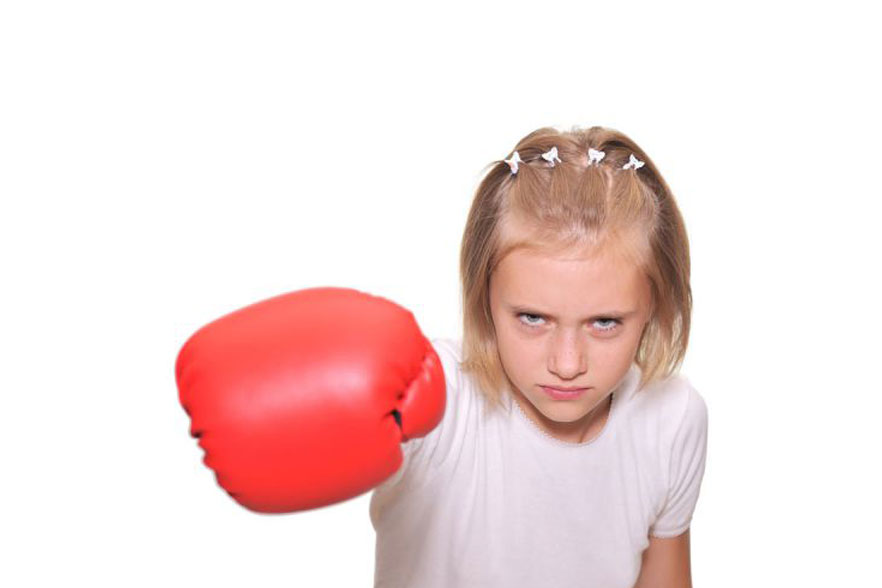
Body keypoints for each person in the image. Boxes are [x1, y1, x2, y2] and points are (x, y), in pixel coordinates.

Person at [369, 125, 709, 587]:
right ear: (484, 296)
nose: (567, 365)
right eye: (532, 318)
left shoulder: (671, 419)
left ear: (655, 306)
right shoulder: (437, 400)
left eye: (605, 322)